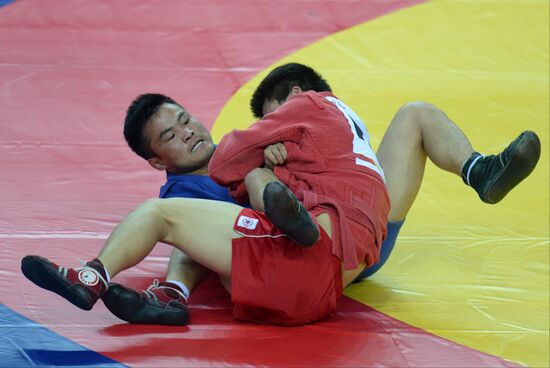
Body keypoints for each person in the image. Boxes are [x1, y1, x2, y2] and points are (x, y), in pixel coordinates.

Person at [21, 63, 541, 327]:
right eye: (171, 138)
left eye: (185, 120)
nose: (188, 133)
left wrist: (278, 163)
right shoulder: (189, 182)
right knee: (195, 209)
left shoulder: (253, 145)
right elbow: (205, 233)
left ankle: (478, 170)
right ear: (157, 159)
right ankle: (169, 293)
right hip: (324, 242)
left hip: (337, 231)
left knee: (415, 114)